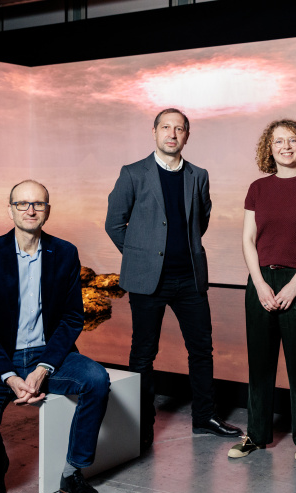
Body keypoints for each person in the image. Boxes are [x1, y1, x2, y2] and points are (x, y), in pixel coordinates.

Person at [0, 180, 110, 493]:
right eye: (22, 204)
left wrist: (43, 368)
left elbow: (72, 318)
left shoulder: (65, 253)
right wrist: (10, 376)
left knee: (97, 378)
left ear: (48, 211)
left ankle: (72, 474)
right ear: (10, 210)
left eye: (38, 204)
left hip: (46, 353)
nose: (30, 210)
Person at [105, 108, 240, 451]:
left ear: (187, 136)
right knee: (143, 353)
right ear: (154, 132)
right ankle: (140, 423)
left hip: (190, 279)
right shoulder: (133, 173)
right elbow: (114, 223)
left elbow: (202, 219)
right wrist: (142, 257)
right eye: (166, 127)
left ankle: (204, 418)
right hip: (148, 282)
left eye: (180, 129)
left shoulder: (199, 175)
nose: (173, 133)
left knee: (202, 350)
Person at [228, 119, 296, 462]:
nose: (286, 146)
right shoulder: (257, 188)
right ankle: (256, 435)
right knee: (259, 364)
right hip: (259, 281)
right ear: (268, 148)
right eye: (278, 141)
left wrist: (294, 284)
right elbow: (247, 239)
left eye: (292, 140)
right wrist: (258, 282)